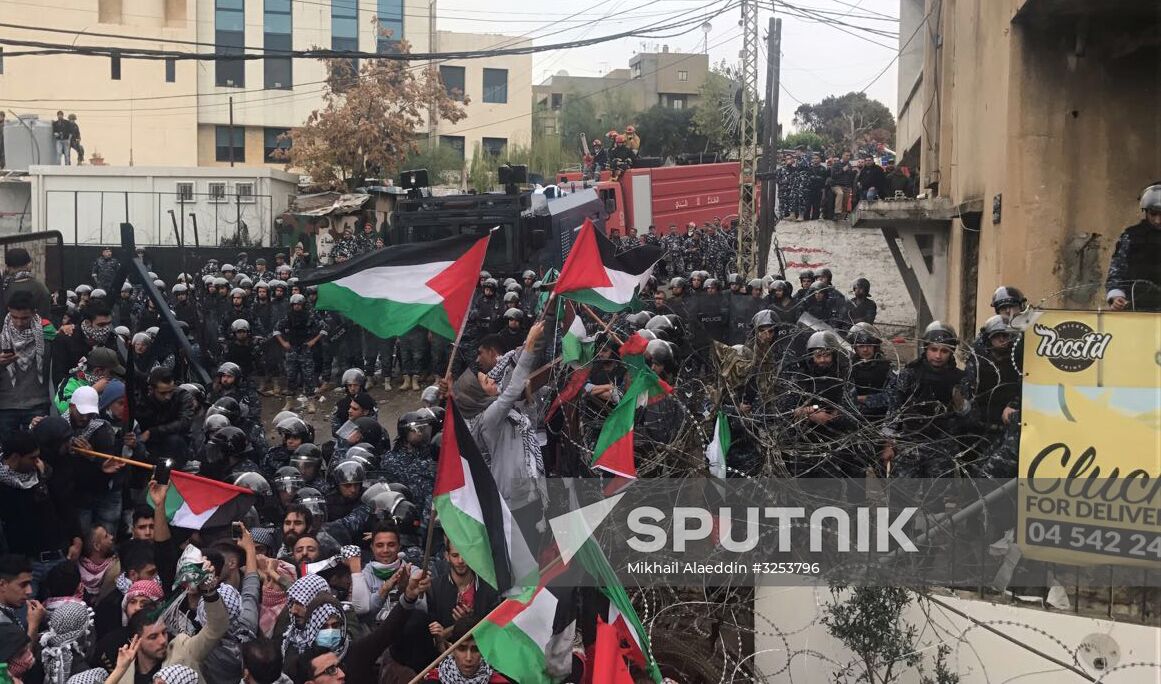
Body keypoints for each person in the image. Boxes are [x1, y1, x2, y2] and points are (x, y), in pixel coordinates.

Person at [0, 430, 83, 598]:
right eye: (32, 458)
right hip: (26, 565)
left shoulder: (45, 474)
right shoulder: (4, 488)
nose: (37, 462)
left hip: (58, 556)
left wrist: (76, 537)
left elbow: (64, 506)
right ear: (16, 458)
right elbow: (19, 520)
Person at [0, 291, 51, 435]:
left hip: (38, 403)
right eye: (14, 317)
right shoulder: (2, 337)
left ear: (34, 313)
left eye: (24, 318)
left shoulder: (47, 335)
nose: (19, 323)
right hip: (6, 406)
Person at [1106, 183, 1161, 311]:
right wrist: (1116, 296)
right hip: (1136, 309)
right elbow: (1117, 271)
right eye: (1153, 214)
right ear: (1146, 212)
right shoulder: (1131, 236)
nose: (1157, 220)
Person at [1, 248, 53, 316]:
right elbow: (45, 317)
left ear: (8, 267)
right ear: (29, 264)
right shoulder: (40, 288)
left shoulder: (4, 286)